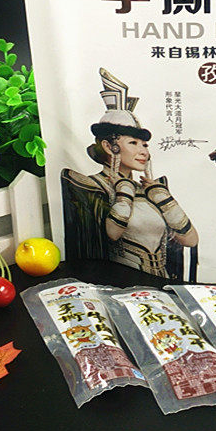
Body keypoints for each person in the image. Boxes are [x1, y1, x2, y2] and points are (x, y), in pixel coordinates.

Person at [62, 68, 198, 280]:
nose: (143, 151)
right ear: (109, 146)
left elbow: (190, 240)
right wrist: (124, 190)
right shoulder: (91, 187)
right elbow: (112, 233)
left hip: (161, 282)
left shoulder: (150, 190)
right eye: (133, 143)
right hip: (122, 284)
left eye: (144, 144)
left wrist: (163, 197)